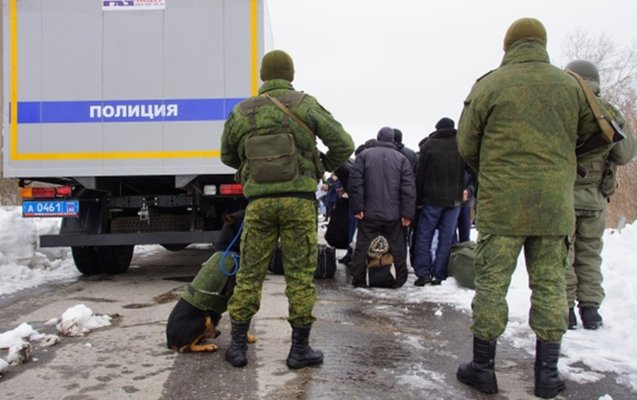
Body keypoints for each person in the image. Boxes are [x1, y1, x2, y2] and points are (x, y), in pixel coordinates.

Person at [455, 18, 599, 399]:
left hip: (502, 204)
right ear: (543, 44)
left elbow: (466, 143)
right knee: (551, 285)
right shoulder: (571, 85)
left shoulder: (489, 85)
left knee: (491, 286)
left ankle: (483, 369)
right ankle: (547, 375)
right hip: (554, 206)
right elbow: (599, 134)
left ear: (508, 46)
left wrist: (494, 168)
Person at [220, 49, 354, 369]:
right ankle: (299, 351)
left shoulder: (242, 112)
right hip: (298, 203)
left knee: (250, 274)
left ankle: (238, 346)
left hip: (259, 205)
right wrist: (321, 168)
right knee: (299, 277)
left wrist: (251, 167)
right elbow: (344, 144)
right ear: (290, 74)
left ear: (264, 76)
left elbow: (227, 156)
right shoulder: (305, 104)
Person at [564, 59, 637, 330]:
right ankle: (591, 311)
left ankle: (566, 309)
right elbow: (625, 154)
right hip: (595, 198)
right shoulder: (609, 112)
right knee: (590, 254)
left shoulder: (566, 109)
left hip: (566, 196)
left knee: (565, 254)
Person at [348, 127, 416, 288]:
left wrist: (357, 208)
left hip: (369, 213)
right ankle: (399, 279)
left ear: (378, 137)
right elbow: (408, 189)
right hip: (394, 214)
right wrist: (407, 214)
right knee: (398, 246)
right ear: (393, 140)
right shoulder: (402, 159)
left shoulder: (364, 156)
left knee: (363, 246)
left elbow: (355, 184)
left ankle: (358, 278)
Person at [412, 117, 468, 286]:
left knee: (424, 235)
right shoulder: (462, 145)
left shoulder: (429, 145)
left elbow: (420, 176)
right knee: (447, 237)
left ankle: (423, 273)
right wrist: (466, 190)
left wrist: (418, 199)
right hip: (454, 200)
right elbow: (471, 170)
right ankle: (439, 274)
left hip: (431, 199)